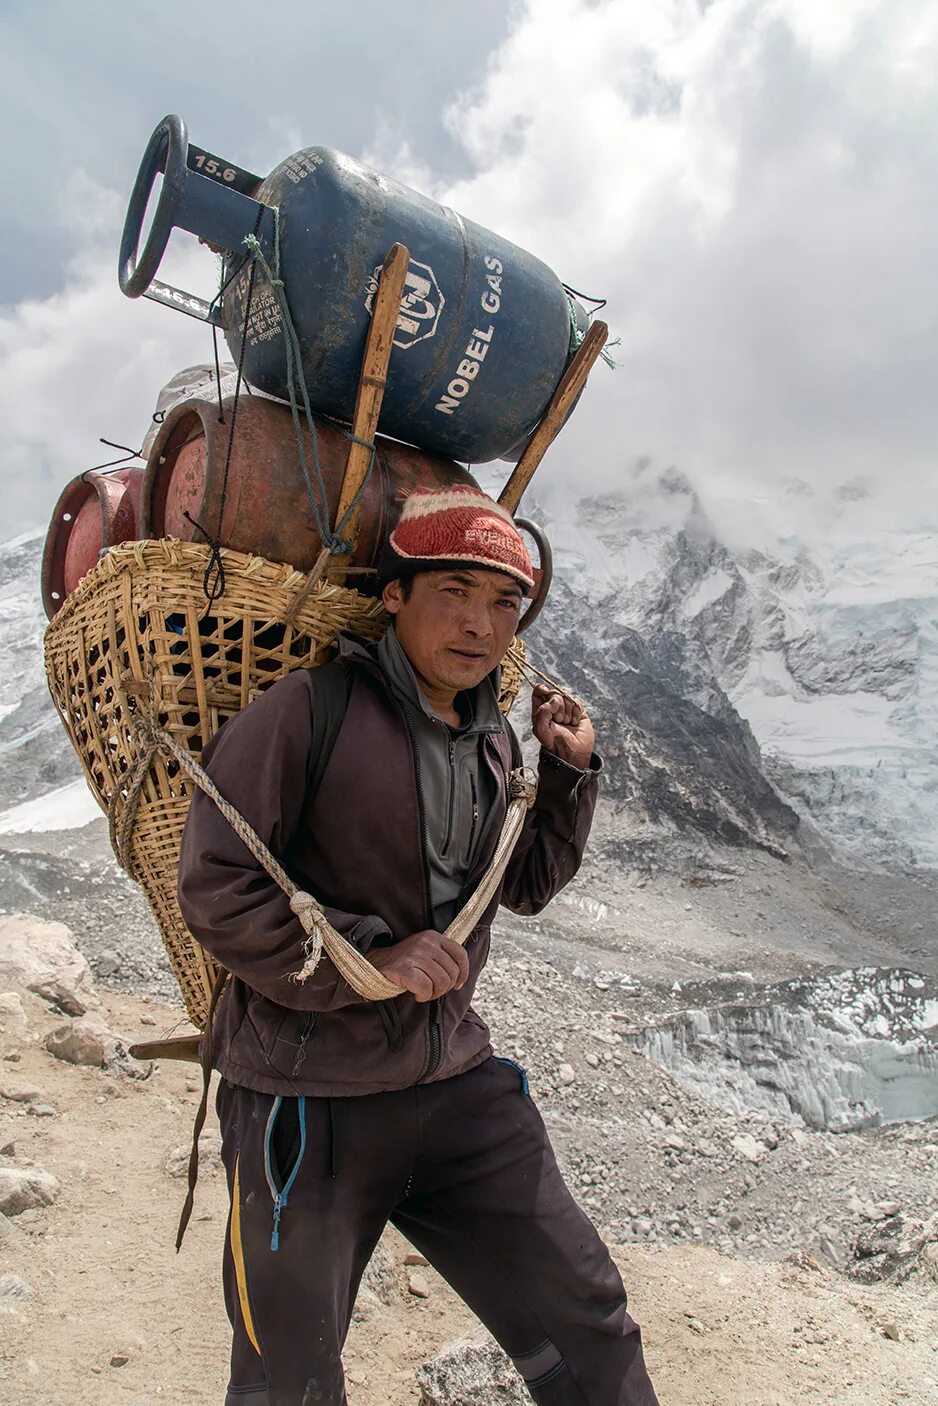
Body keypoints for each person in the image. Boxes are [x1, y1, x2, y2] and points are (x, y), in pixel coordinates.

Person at [177, 484, 659, 1406]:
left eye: (504, 603)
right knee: (291, 1377)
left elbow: (520, 889)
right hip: (304, 1098)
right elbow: (217, 883)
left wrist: (565, 773)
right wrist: (374, 958)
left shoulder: (493, 745)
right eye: (454, 592)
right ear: (393, 597)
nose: (482, 624)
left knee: (585, 1312)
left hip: (452, 1090)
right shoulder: (306, 714)